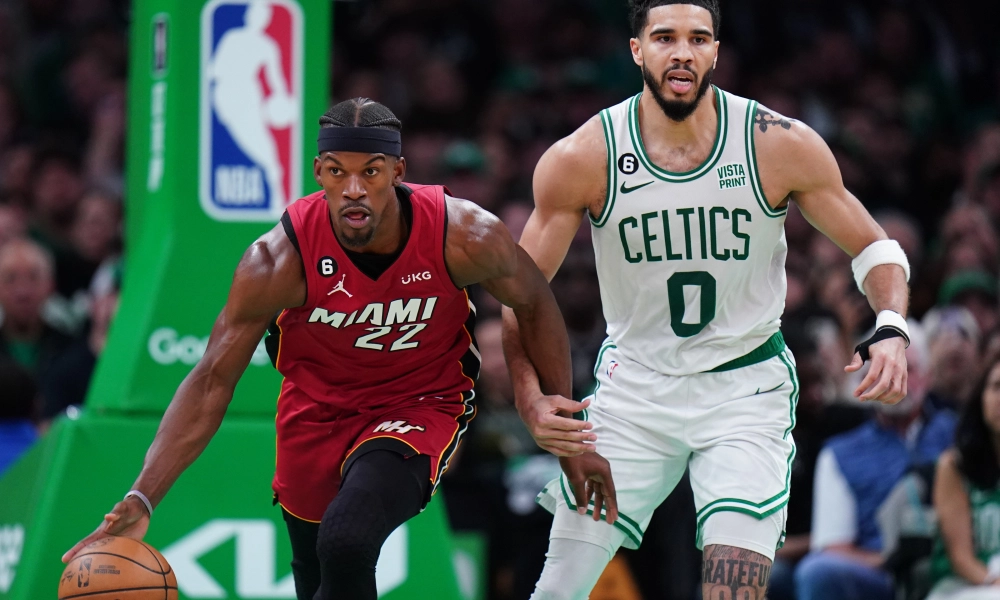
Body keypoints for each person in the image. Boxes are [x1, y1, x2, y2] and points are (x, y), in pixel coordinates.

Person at [62, 98, 604, 600]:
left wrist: (568, 436)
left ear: (398, 172)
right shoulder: (276, 261)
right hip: (315, 413)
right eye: (338, 172)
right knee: (321, 575)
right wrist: (143, 496)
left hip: (421, 404)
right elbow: (211, 381)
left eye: (371, 171)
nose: (354, 189)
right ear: (318, 173)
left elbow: (535, 304)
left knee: (347, 539)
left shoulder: (463, 235)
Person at [501, 2, 913, 599]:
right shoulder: (583, 157)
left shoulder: (777, 143)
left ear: (716, 51)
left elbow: (875, 247)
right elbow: (519, 291)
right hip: (634, 389)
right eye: (664, 37)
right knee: (558, 589)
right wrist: (530, 398)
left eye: (698, 39)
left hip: (743, 388)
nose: (682, 53)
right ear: (637, 49)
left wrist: (892, 326)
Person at [796, 323, 954, 600]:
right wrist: (891, 560)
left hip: (955, 564)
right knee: (818, 571)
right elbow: (834, 548)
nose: (894, 379)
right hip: (881, 573)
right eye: (881, 371)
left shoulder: (959, 433)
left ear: (928, 376)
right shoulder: (840, 452)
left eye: (907, 368)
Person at [927, 357, 1000, 599]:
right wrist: (994, 582)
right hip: (963, 587)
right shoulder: (954, 466)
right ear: (981, 398)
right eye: (996, 387)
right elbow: (961, 558)